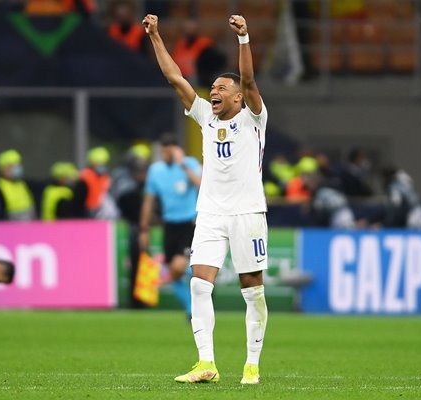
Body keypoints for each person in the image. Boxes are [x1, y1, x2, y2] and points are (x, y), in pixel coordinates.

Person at [143, 13, 269, 384]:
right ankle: (206, 363)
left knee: (252, 291)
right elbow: (174, 77)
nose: (212, 91)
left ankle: (252, 364)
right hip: (211, 212)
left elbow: (248, 79)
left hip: (248, 213)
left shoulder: (253, 119)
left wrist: (244, 38)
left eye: (220, 88)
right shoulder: (205, 119)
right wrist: (155, 36)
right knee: (199, 283)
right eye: (211, 87)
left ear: (236, 96)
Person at [138, 135, 200, 315]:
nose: (164, 154)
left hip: (188, 223)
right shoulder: (155, 171)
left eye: (168, 151)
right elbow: (149, 201)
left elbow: (201, 185)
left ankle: (202, 276)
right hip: (169, 225)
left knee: (178, 267)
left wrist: (183, 165)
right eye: (162, 151)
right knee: (173, 274)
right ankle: (191, 310)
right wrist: (144, 229)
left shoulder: (190, 164)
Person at [111, 144, 152, 308]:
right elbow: (124, 203)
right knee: (137, 262)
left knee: (146, 263)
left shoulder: (138, 182)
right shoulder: (128, 183)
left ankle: (144, 298)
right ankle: (137, 300)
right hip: (133, 226)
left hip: (138, 225)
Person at [0, 149, 36, 222]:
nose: (17, 168)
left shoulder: (23, 184)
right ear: (3, 168)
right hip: (6, 229)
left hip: (29, 227)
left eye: (18, 165)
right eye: (12, 166)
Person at [77, 146, 119, 219]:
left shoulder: (105, 176)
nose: (100, 165)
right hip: (87, 210)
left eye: (102, 163)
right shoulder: (85, 175)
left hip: (102, 210)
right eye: (98, 163)